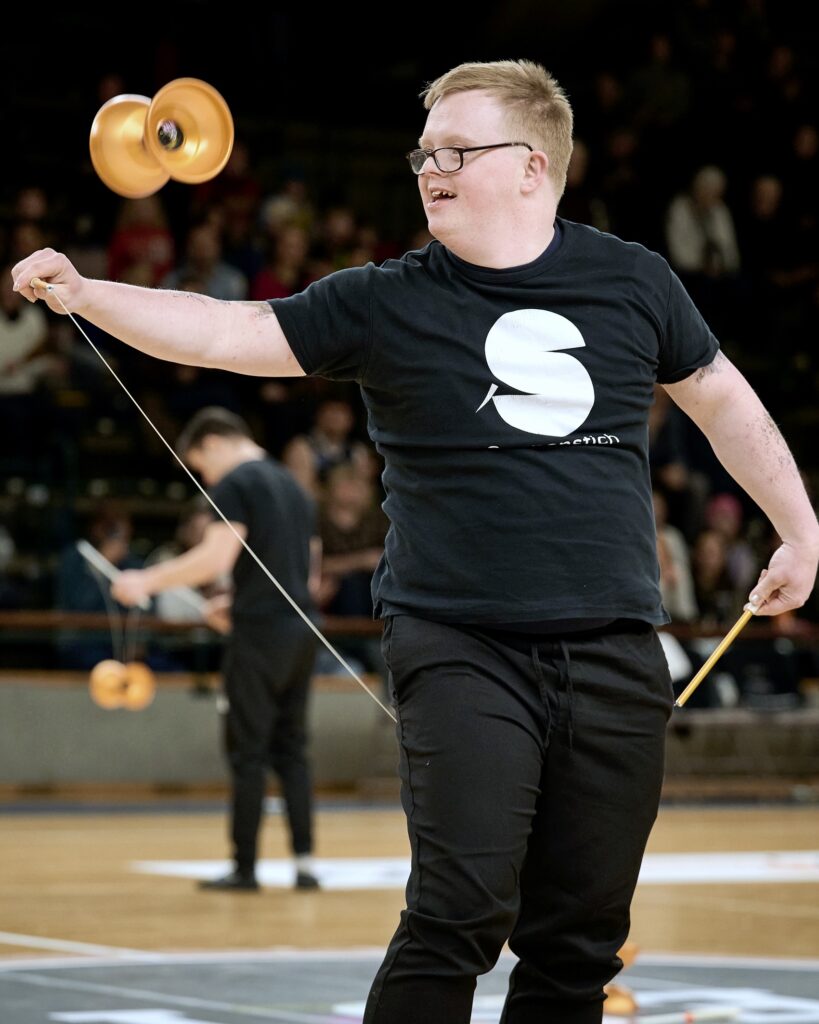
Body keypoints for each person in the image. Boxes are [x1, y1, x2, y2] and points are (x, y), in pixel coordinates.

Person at [11, 58, 819, 1024]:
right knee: (458, 912)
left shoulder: (632, 280)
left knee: (580, 938)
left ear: (531, 165)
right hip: (459, 646)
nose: (428, 166)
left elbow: (722, 401)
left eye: (455, 150)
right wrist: (89, 294)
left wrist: (798, 527)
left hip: (615, 649)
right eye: (422, 151)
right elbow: (228, 330)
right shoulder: (384, 300)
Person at [110, 407, 323, 892]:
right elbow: (305, 575)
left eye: (200, 467)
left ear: (212, 443)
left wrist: (146, 579)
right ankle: (306, 864)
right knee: (292, 748)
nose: (204, 477)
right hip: (302, 630)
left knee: (248, 749)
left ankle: (245, 868)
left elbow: (213, 558)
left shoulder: (236, 484)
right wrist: (239, 598)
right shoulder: (295, 487)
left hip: (260, 636)